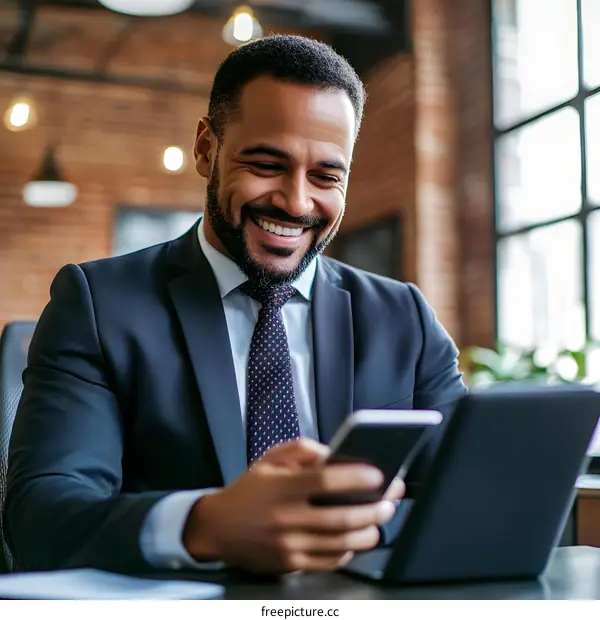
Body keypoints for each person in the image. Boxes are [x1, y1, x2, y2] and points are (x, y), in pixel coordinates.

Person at [5, 35, 467, 575]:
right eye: (267, 164)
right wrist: (205, 525)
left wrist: (335, 529)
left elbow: (468, 496)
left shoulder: (403, 315)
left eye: (326, 175)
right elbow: (41, 519)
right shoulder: (98, 305)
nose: (296, 202)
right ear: (207, 149)